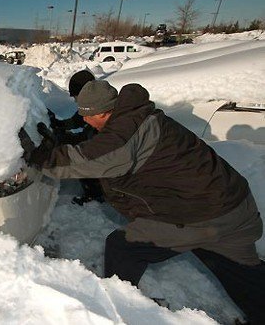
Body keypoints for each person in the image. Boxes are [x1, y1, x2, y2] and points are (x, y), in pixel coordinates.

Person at [26, 80, 265, 324]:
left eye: (89, 117)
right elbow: (100, 147)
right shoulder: (138, 116)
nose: (85, 121)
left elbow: (89, 159)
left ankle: (116, 309)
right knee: (242, 274)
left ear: (105, 112)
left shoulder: (125, 137)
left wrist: (41, 158)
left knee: (123, 248)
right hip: (234, 205)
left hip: (204, 214)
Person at [47, 70, 104, 205]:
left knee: (83, 163)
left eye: (76, 96)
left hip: (109, 164)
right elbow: (77, 121)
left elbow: (91, 145)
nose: (74, 100)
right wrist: (59, 125)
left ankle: (96, 195)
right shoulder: (96, 102)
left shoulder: (100, 110)